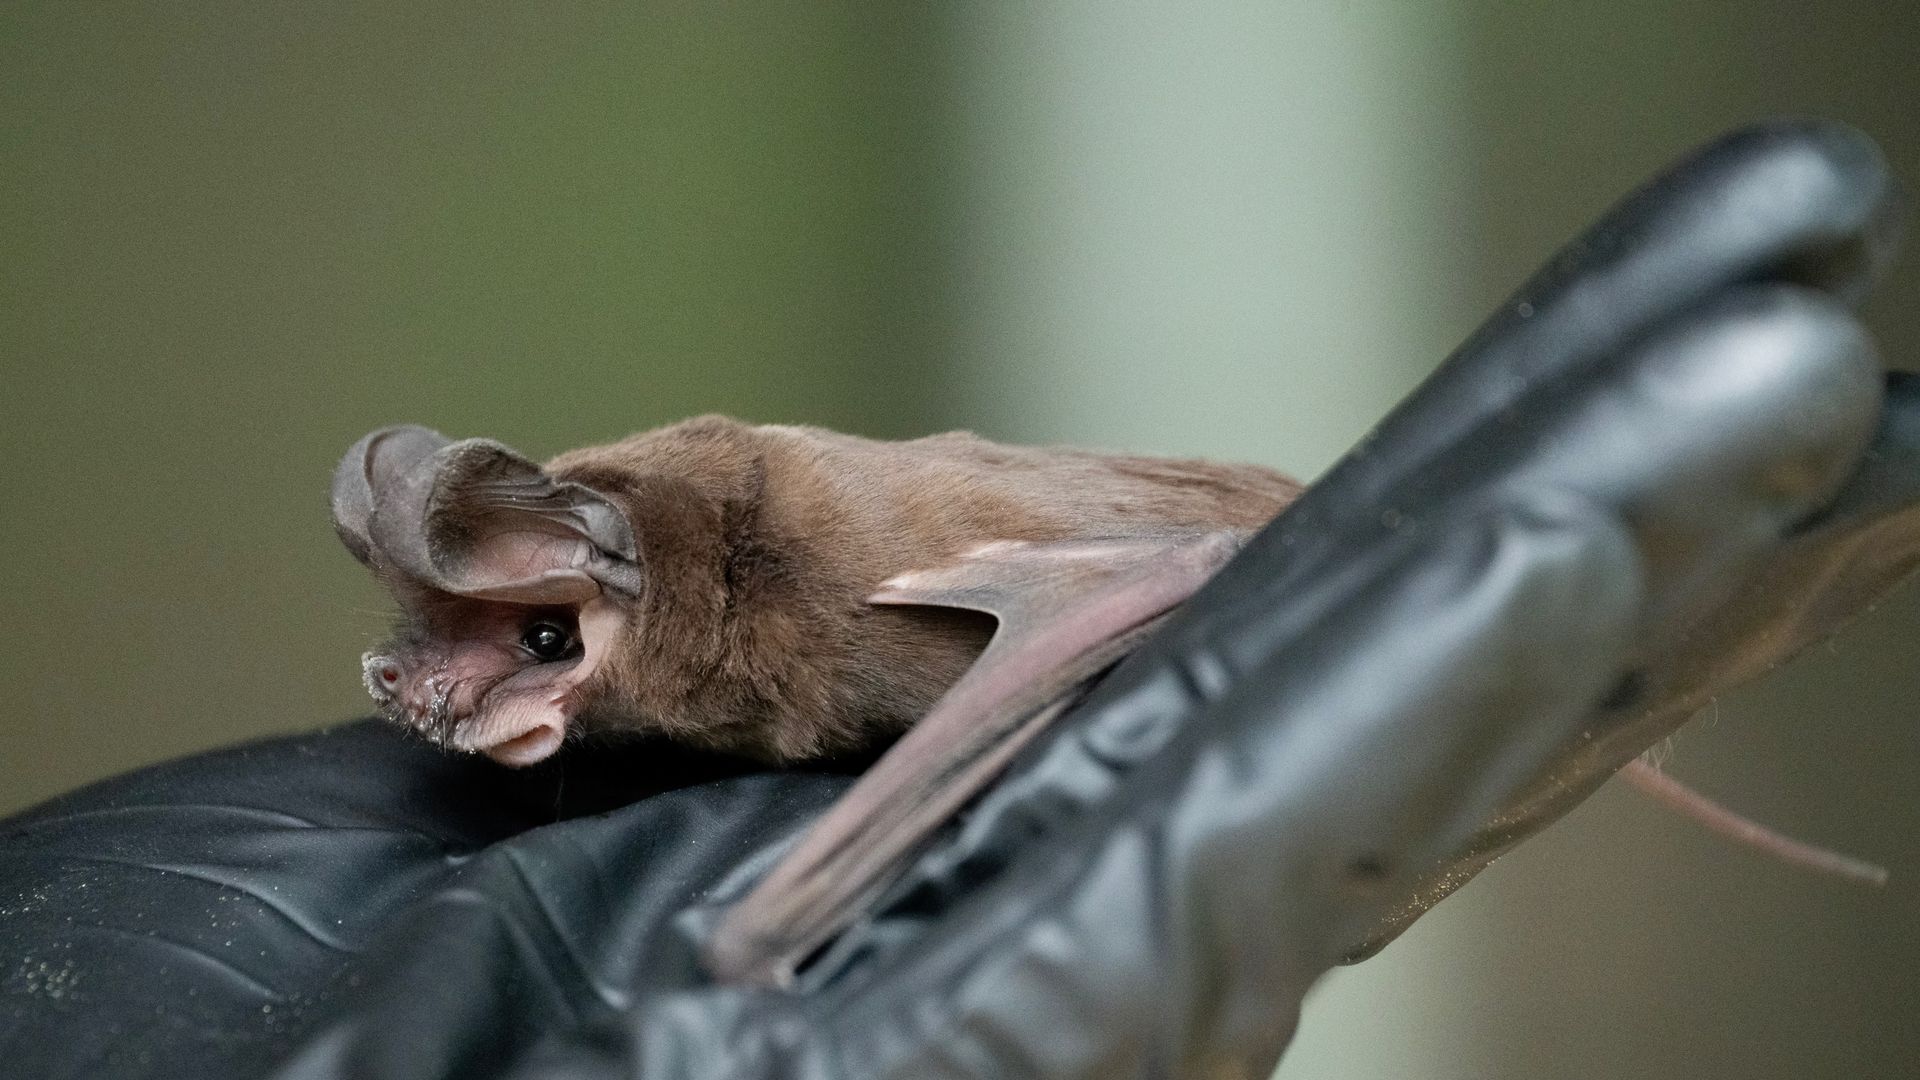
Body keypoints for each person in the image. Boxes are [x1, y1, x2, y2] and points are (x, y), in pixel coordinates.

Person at [3, 120, 1913, 1080]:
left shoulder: (822, 599)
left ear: (668, 585)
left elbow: (1011, 597)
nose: (473, 674)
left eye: (526, 633)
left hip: (1112, 583)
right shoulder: (674, 619)